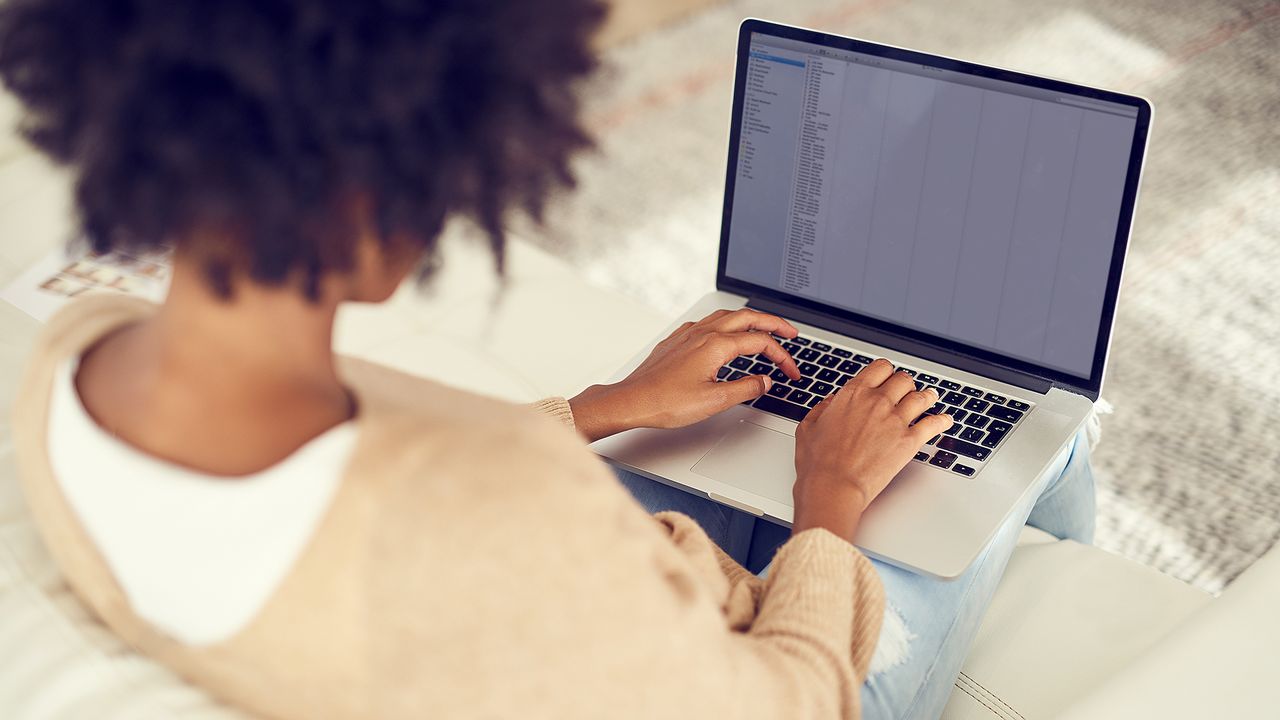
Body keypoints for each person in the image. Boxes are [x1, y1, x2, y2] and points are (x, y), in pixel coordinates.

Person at [1, 1, 1095, 718]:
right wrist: (828, 503)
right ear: (368, 199)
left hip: (538, 598)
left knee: (754, 443)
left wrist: (604, 406)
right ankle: (1082, 590)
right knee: (1051, 439)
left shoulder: (76, 357)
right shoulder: (512, 513)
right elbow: (785, 702)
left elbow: (384, 468)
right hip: (749, 664)